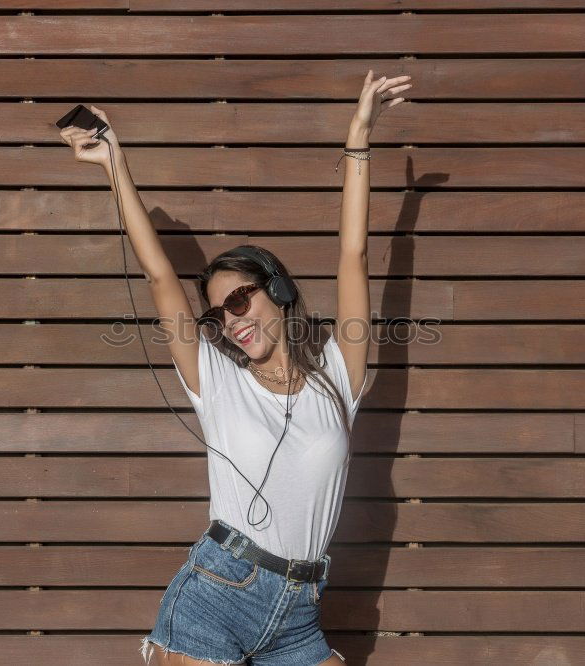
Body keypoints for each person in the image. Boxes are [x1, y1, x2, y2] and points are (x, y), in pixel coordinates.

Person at [60, 69, 411, 666]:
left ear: (277, 291)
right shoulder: (216, 382)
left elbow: (353, 255)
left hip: (301, 611)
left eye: (241, 299)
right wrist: (113, 163)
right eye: (219, 312)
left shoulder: (337, 379)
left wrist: (359, 137)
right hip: (217, 595)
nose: (231, 318)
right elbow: (160, 277)